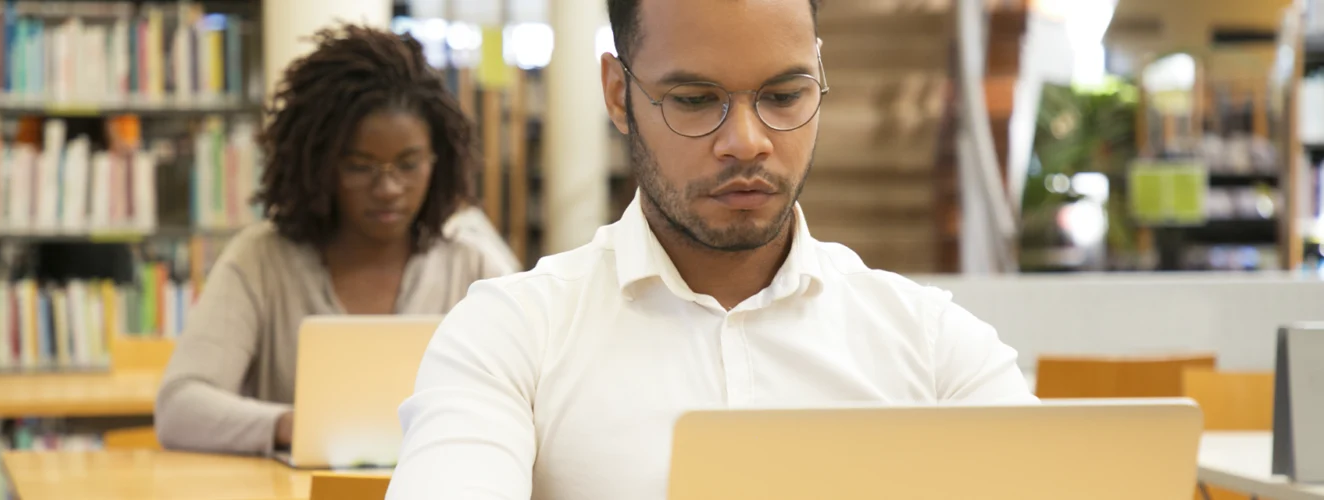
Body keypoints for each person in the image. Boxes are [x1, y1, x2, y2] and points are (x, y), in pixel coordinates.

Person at [386, 0, 1037, 498]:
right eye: (696, 101)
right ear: (619, 94)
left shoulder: (931, 344)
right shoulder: (513, 334)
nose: (747, 141)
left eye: (785, 95)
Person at [155, 25, 520, 455]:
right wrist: (294, 425)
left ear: (437, 163)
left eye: (408, 165)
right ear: (320, 164)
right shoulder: (261, 261)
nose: (388, 188)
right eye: (361, 166)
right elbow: (180, 407)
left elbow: (532, 400)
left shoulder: (471, 266)